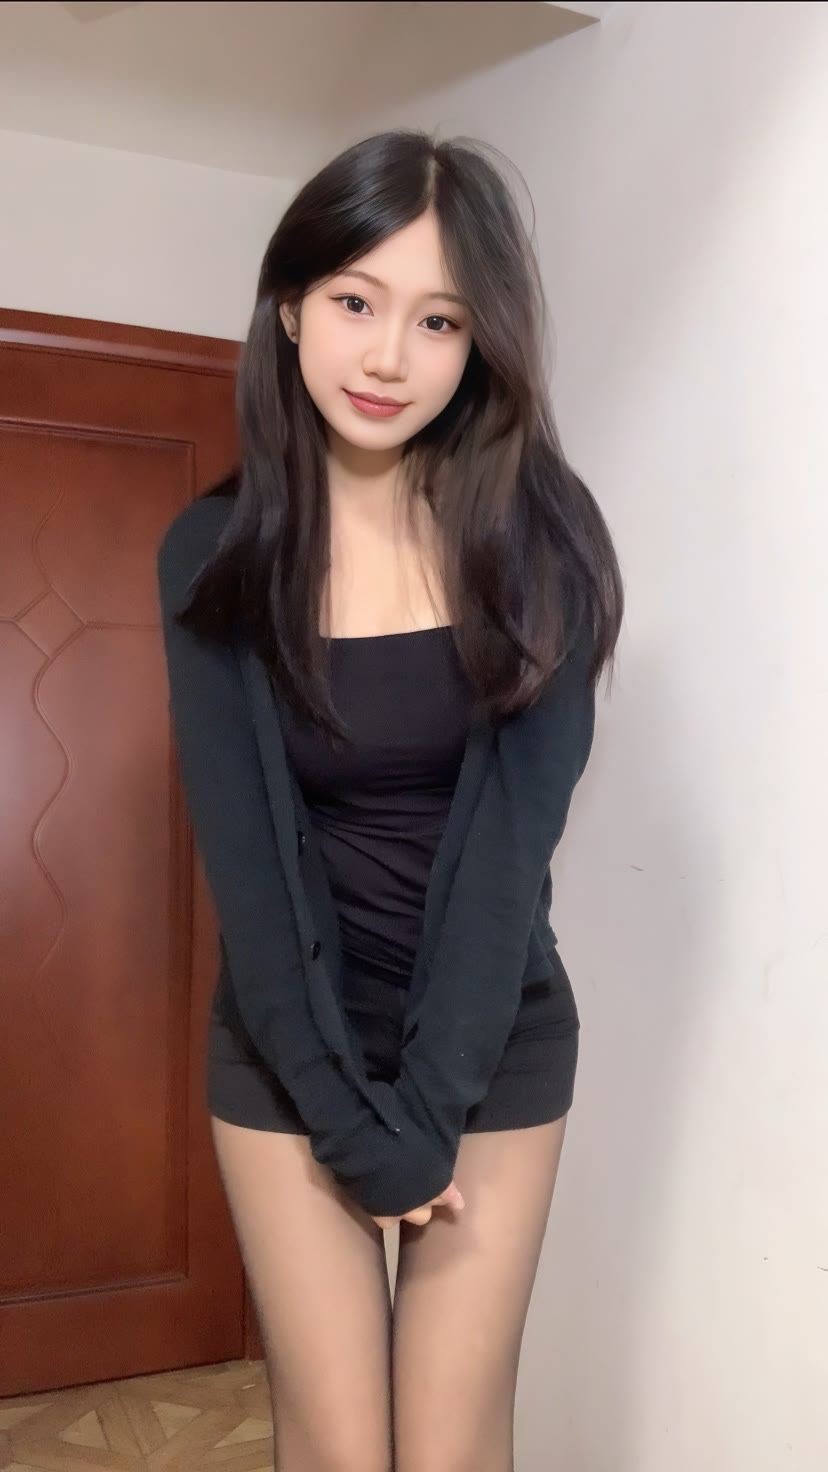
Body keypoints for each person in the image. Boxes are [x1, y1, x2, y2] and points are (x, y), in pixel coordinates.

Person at [157, 129, 623, 1472]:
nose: (387, 358)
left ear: (481, 344)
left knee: (448, 1444)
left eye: (439, 321)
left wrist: (423, 1118)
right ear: (291, 306)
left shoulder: (543, 540)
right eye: (357, 302)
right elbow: (247, 867)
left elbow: (510, 858)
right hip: (285, 1055)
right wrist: (350, 1126)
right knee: (339, 1448)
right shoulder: (212, 551)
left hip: (489, 1047)